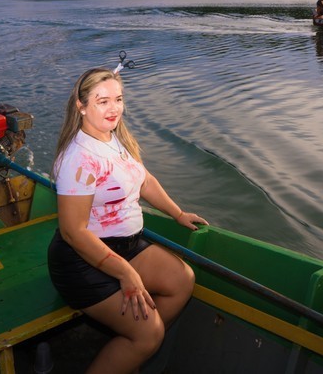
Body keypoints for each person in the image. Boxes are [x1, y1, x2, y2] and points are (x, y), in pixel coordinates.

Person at [47, 67, 208, 373]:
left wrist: (177, 214)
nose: (114, 108)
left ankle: (133, 350)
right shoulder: (79, 159)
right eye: (102, 101)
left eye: (118, 99)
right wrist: (125, 272)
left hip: (126, 247)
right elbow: (73, 233)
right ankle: (142, 341)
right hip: (82, 261)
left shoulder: (114, 138)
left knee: (182, 280)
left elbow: (144, 180)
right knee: (149, 334)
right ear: (81, 106)